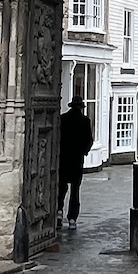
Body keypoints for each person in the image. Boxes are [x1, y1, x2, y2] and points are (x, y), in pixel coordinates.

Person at [57, 94, 94, 227]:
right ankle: (72, 218)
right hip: (77, 160)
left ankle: (58, 211)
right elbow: (89, 140)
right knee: (75, 190)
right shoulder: (85, 121)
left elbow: (57, 138)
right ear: (81, 107)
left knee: (61, 187)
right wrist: (84, 152)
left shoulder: (62, 119)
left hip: (63, 158)